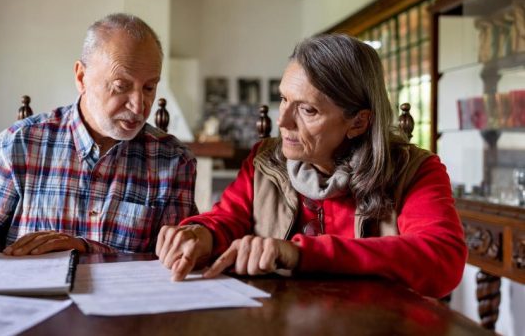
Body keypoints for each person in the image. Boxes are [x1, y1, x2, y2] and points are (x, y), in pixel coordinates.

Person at [156, 34, 467, 298]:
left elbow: (442, 259)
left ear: (358, 122)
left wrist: (300, 253)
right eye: (283, 99)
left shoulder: (414, 171)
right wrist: (200, 234)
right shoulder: (264, 161)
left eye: (307, 109)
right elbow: (225, 219)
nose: (283, 120)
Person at [0, 13, 197, 257]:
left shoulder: (174, 161)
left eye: (149, 88)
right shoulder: (16, 146)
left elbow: (173, 263)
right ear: (81, 77)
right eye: (121, 86)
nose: (139, 106)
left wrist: (83, 248)